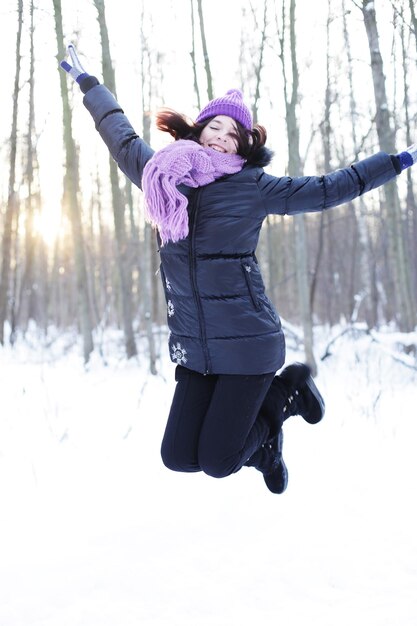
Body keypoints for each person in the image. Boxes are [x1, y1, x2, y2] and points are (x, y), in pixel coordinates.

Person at [60, 44, 416, 494]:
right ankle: (265, 446)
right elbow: (121, 137)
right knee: (177, 458)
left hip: (248, 346)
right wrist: (89, 84)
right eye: (215, 126)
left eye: (234, 134)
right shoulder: (163, 176)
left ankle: (285, 392)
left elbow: (328, 189)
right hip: (197, 347)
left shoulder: (254, 187)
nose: (222, 137)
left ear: (244, 146)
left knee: (219, 461)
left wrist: (397, 162)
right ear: (199, 129)